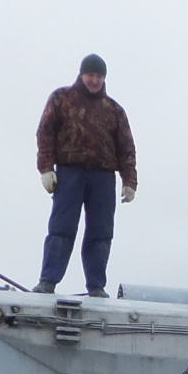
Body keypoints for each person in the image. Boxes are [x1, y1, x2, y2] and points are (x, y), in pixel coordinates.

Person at [34, 54, 137, 297]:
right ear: (82, 74)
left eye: (99, 76)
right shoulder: (62, 99)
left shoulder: (114, 110)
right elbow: (45, 133)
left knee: (101, 232)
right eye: (91, 75)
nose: (94, 80)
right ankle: (48, 279)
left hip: (103, 177)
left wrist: (129, 180)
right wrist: (46, 168)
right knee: (62, 227)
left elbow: (126, 147)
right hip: (70, 173)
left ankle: (96, 285)